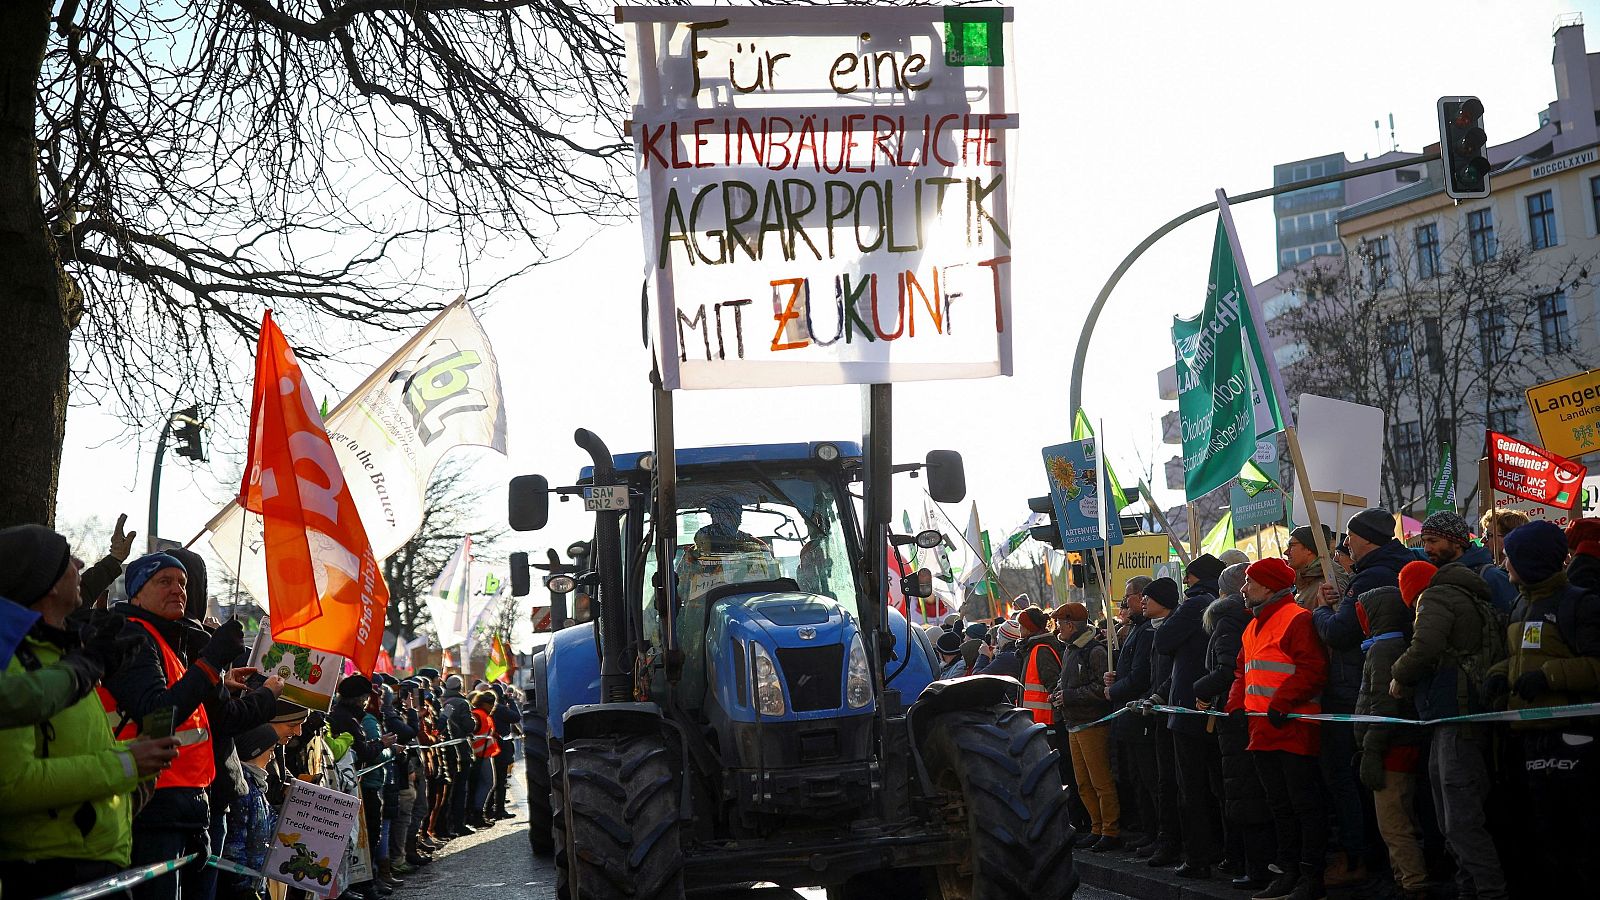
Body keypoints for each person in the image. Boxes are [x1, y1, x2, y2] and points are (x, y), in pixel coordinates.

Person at [0, 526, 181, 900]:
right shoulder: (14, 662)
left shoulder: (63, 655)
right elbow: (12, 786)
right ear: (46, 582)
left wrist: (136, 783)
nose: (80, 564)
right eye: (68, 561)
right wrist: (127, 764)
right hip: (51, 870)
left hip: (98, 862)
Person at [103, 552, 280, 900]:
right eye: (164, 582)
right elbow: (158, 715)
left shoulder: (173, 639)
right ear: (136, 592)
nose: (178, 590)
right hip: (154, 807)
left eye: (183, 583)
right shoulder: (132, 637)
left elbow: (212, 714)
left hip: (190, 805)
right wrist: (212, 663)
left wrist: (239, 686)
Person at [1485, 521, 1600, 896]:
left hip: (1570, 739)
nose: (1504, 564)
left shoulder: (1580, 604)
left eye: (1510, 557)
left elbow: (1596, 664)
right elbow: (1517, 657)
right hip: (1524, 739)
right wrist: (1499, 675)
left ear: (1530, 560)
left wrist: (1549, 677)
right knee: (1533, 837)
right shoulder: (1520, 603)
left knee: (1572, 840)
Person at [1389, 534, 1506, 900]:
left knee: (1458, 817)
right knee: (1455, 815)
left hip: (1455, 714)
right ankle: (1469, 888)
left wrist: (1398, 675)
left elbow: (1424, 648)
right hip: (1460, 713)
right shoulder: (1470, 593)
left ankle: (1488, 890)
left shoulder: (1437, 596)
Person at [1313, 508, 1410, 887]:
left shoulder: (1371, 575)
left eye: (1350, 536)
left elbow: (1340, 632)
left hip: (1360, 688)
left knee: (1352, 778)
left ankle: (1364, 860)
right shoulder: (1396, 565)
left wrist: (1322, 612)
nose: (1345, 544)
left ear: (1365, 539)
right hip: (1377, 685)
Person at [1226, 557, 1327, 900]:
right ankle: (1288, 873)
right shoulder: (1252, 625)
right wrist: (1235, 705)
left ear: (1268, 587)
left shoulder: (1297, 618)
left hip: (1294, 727)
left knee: (1303, 806)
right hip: (1264, 730)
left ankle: (1310, 878)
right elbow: (1243, 671)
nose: (1243, 589)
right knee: (1280, 806)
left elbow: (1312, 668)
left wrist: (1282, 703)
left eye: (1249, 582)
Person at [0, 526, 140, 728]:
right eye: (66, 559)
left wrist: (133, 754)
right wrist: (84, 667)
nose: (80, 563)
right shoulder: (12, 658)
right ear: (50, 584)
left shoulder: (58, 636)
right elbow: (18, 759)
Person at [1192, 562, 1272, 891]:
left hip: (1238, 716)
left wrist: (1200, 688)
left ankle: (1251, 865)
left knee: (1241, 792)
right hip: (1245, 713)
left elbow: (1227, 670)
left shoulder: (1227, 621)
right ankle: (1246, 860)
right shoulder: (1245, 619)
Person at [1355, 569, 1429, 900]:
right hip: (1398, 745)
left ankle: (1412, 882)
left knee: (1394, 823)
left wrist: (1371, 751)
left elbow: (1382, 706)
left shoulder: (1383, 652)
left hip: (1390, 751)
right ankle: (1404, 877)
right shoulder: (1391, 645)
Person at [1156, 555, 1225, 878]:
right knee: (1218, 785)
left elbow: (1163, 640)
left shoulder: (1194, 604)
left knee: (1192, 788)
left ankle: (1198, 857)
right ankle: (1225, 852)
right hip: (1212, 701)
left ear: (1193, 577)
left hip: (1188, 704)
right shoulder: (1220, 601)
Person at [1052, 602, 1118, 851]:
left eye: (1060, 623)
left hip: (1092, 724)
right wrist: (1058, 693)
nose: (1057, 627)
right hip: (1074, 725)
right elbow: (1064, 681)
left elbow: (1101, 690)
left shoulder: (1095, 651)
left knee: (1101, 781)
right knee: (1083, 783)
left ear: (1070, 625)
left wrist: (1068, 696)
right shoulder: (1069, 649)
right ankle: (1096, 827)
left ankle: (1110, 830)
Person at [1106, 577, 1158, 855]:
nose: (1125, 603)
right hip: (1128, 719)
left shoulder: (1147, 631)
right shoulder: (1137, 629)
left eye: (1129, 597)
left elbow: (1140, 677)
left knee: (1150, 779)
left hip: (1140, 719)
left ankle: (1158, 833)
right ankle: (1148, 831)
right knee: (1137, 779)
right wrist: (1115, 676)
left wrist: (1114, 690)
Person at [1137, 577, 1185, 869]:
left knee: (1171, 783)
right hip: (1157, 714)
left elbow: (1174, 674)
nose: (1143, 601)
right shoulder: (1152, 631)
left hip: (1172, 716)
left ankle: (1173, 843)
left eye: (1148, 597)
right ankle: (1163, 837)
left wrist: (1157, 695)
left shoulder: (1173, 631)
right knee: (1160, 781)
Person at [221, 724, 280, 900]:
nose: (273, 756)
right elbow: (234, 844)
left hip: (256, 880)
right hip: (243, 887)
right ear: (255, 751)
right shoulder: (244, 790)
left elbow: (269, 822)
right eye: (270, 750)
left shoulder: (256, 786)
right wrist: (242, 887)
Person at [1418, 510, 1516, 617]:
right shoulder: (1434, 578)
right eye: (1424, 542)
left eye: (1433, 541)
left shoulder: (1490, 577)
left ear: (1456, 543)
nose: (1426, 548)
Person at [1015, 606, 1064, 726]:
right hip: (1036, 719)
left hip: (1045, 721)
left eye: (1021, 625)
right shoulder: (1032, 649)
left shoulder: (1041, 651)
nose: (1019, 629)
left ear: (1029, 628)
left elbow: (1053, 685)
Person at [1285, 524, 1343, 611]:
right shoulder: (1304, 579)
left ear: (1309, 549)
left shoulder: (1331, 581)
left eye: (1292, 546)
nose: (1286, 552)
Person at [468, 690, 501, 827]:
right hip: (480, 756)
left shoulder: (481, 714)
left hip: (483, 755)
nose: (493, 707)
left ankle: (479, 812)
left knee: (485, 784)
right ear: (484, 703)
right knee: (487, 783)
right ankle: (477, 813)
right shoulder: (478, 715)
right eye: (491, 704)